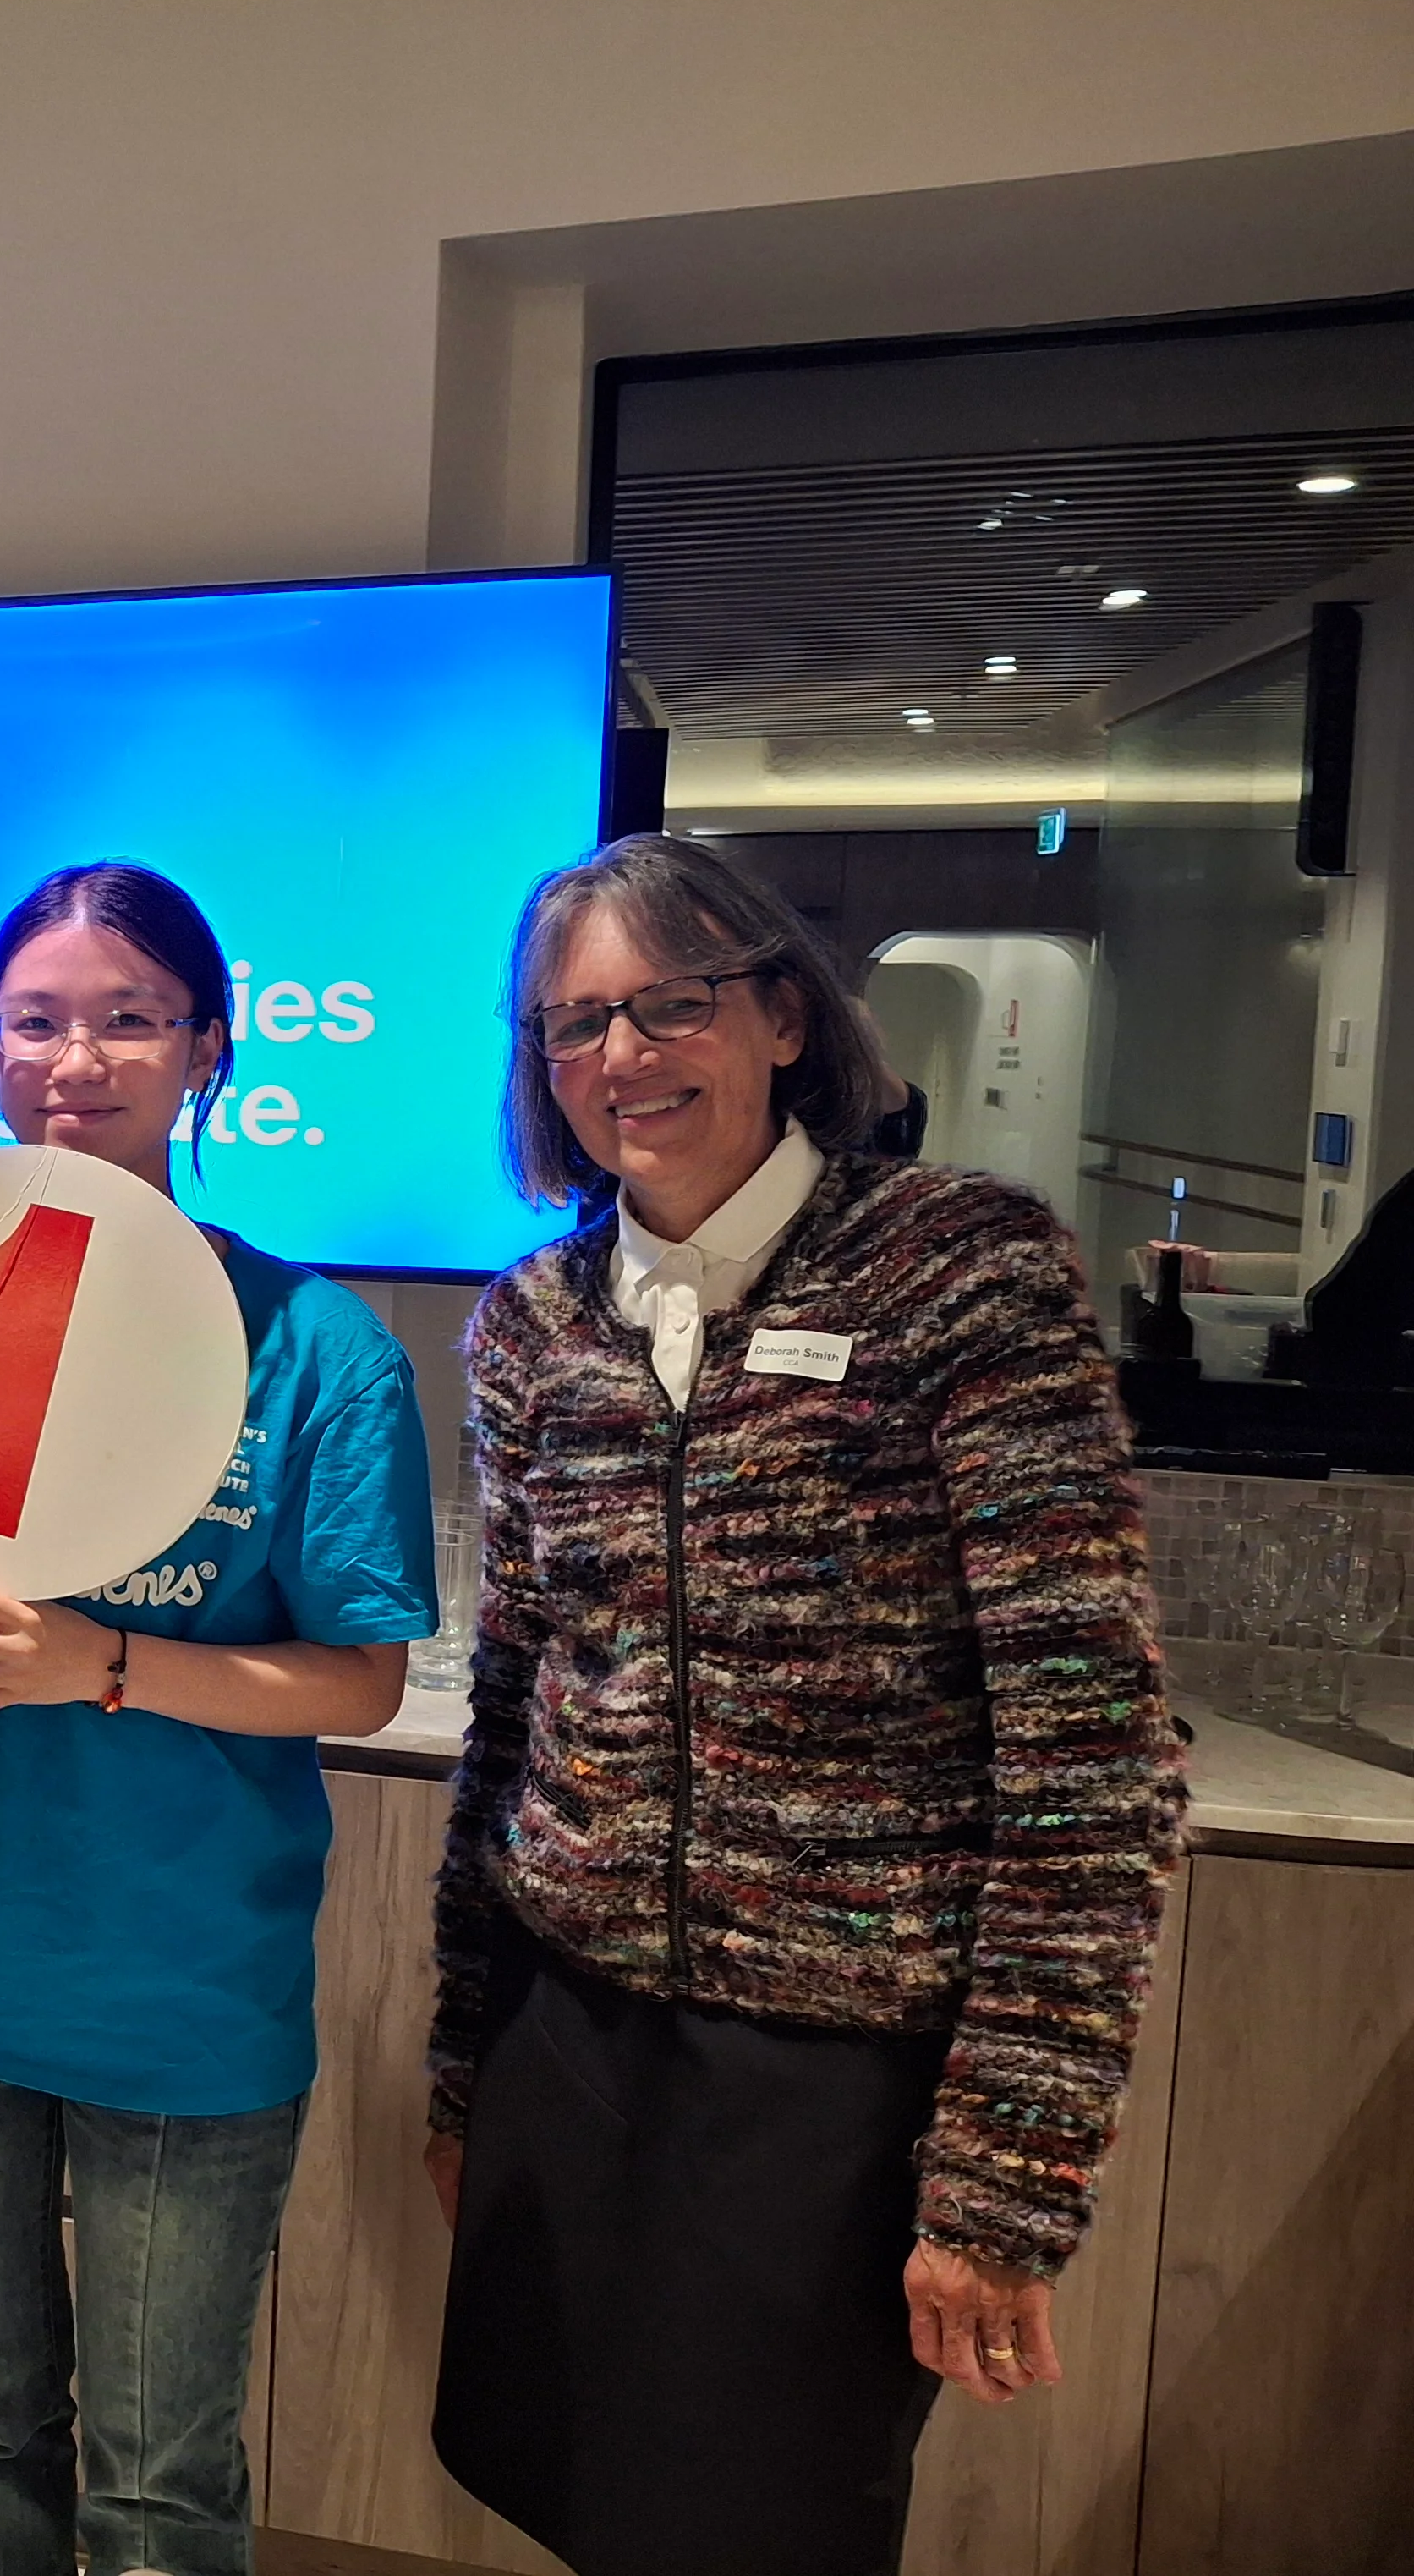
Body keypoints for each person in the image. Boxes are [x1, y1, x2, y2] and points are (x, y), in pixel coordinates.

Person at [426, 832, 1183, 2576]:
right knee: (573, 2489)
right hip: (571, 2027)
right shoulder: (531, 1327)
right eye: (570, 1026)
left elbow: (1091, 1756)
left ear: (780, 1015)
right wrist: (464, 2060)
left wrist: (1010, 2162)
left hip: (833, 2068)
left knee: (766, 2522)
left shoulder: (958, 1272)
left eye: (667, 1007)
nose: (620, 1061)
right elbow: (518, 1708)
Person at [0, 862, 435, 2576]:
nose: (78, 1060)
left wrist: (97, 1667)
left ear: (209, 1049)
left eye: (130, 1020)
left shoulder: (316, 1347)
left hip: (185, 2000)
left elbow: (359, 1678)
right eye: (38, 1020)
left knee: (157, 2481)